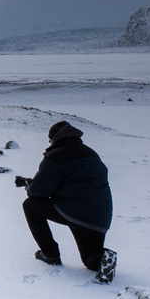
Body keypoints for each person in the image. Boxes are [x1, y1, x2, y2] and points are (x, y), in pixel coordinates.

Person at [14, 120, 117, 283]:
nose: (49, 143)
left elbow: (38, 192)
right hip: (99, 218)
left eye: (50, 140)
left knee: (30, 205)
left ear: (55, 138)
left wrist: (29, 186)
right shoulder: (91, 153)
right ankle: (103, 258)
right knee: (91, 260)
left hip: (74, 212)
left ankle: (50, 253)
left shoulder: (56, 156)